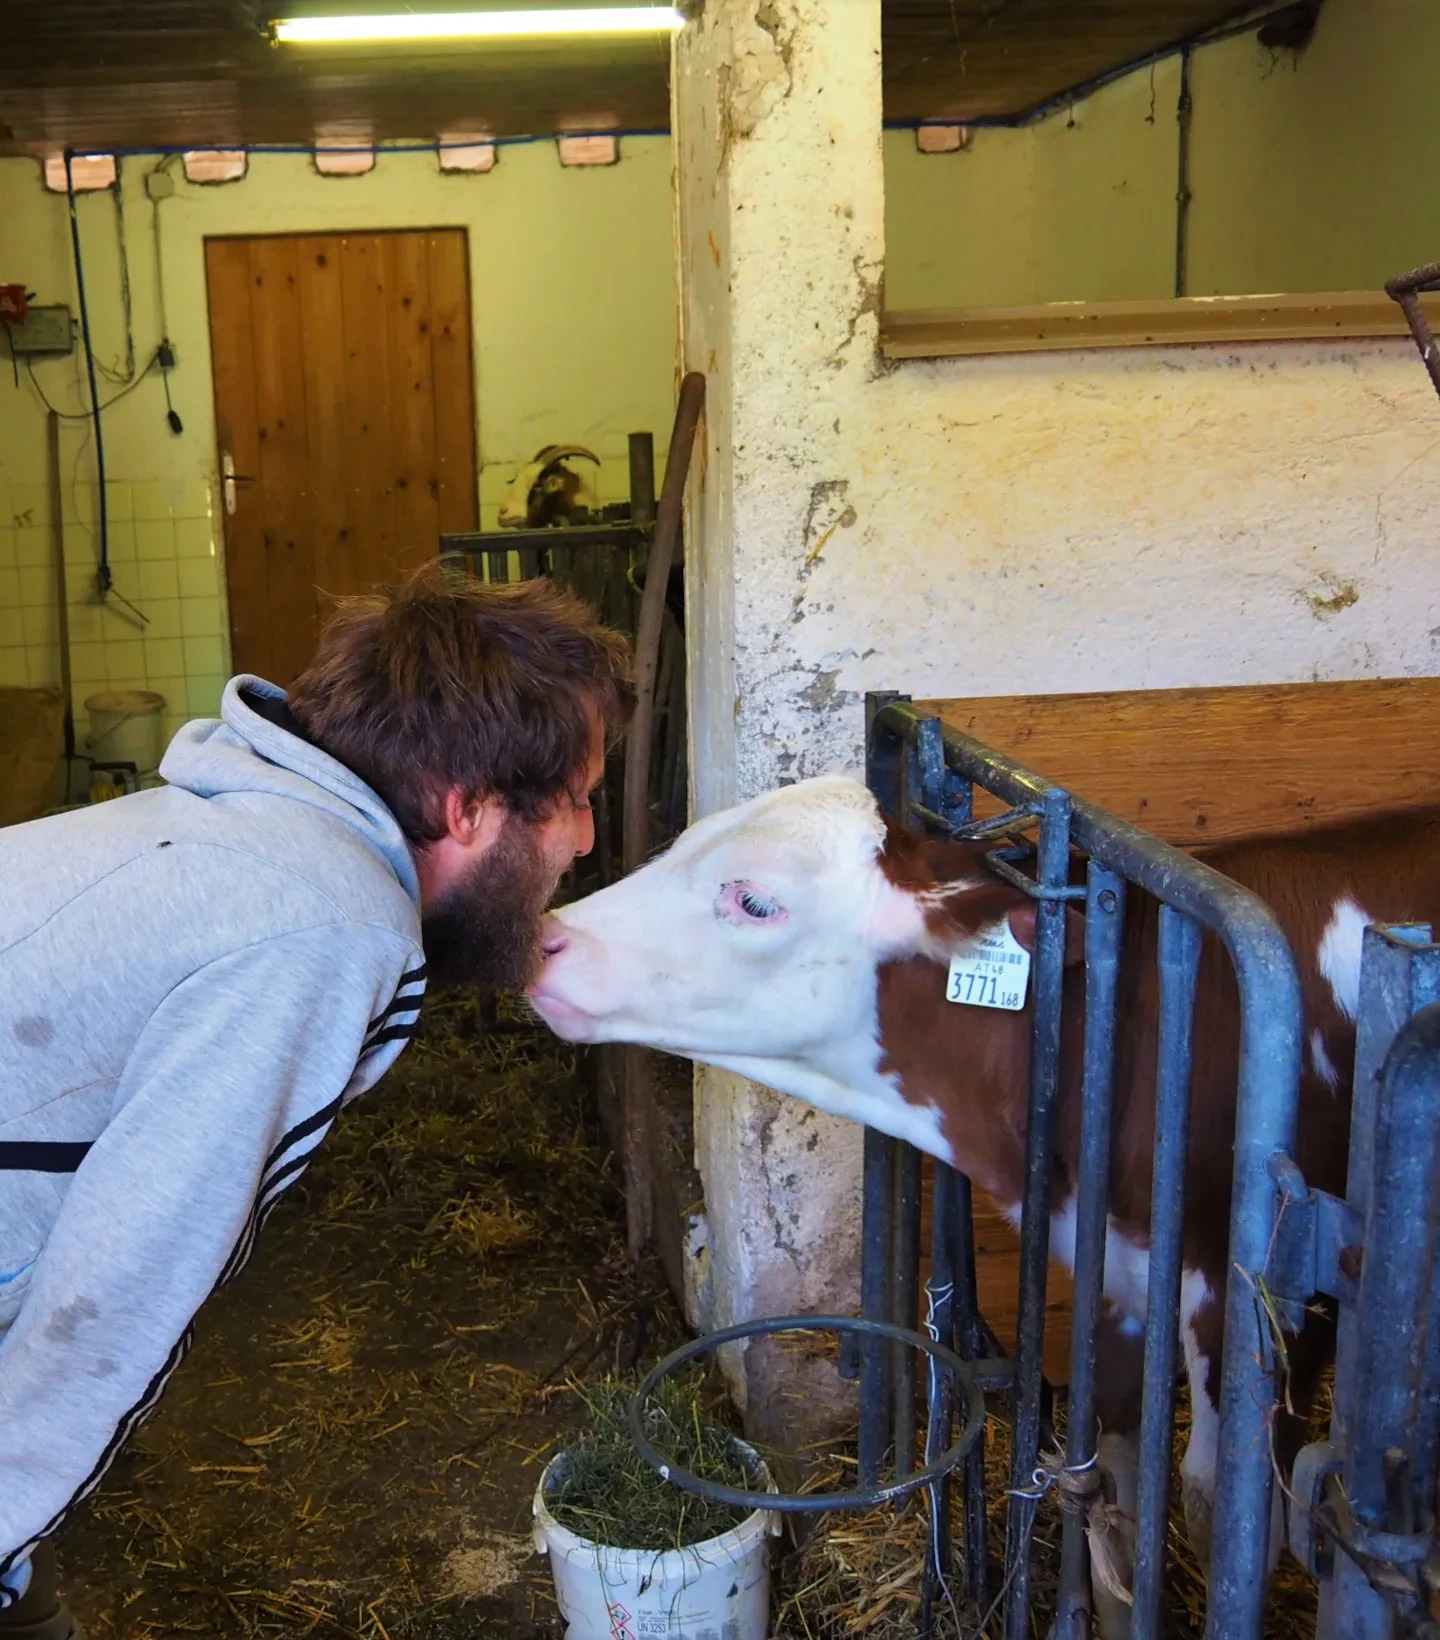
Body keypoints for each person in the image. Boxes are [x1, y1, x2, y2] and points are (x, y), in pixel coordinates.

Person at [0, 565, 633, 1636]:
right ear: (468, 806)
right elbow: (120, 1284)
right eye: (576, 799)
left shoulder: (243, 828)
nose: (582, 841)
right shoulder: (324, 924)